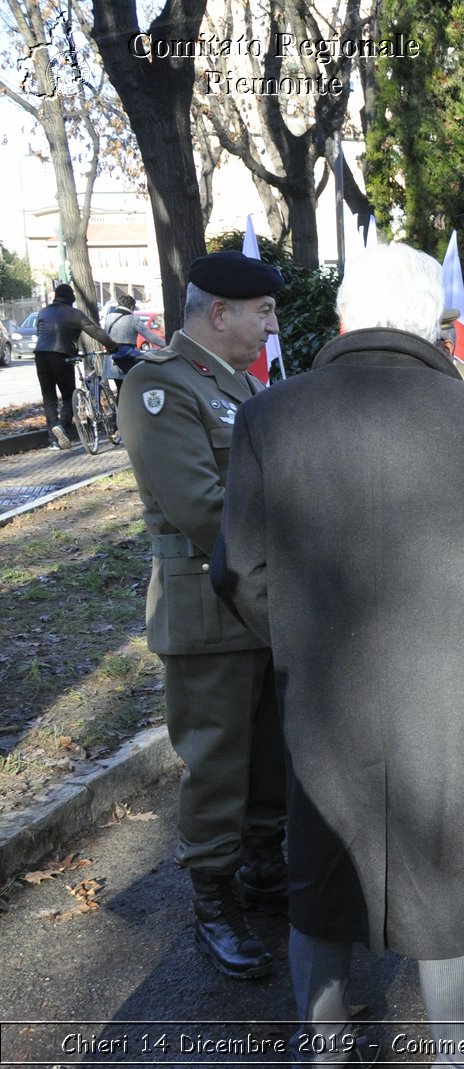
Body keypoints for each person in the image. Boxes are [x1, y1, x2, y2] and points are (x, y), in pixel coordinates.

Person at [212, 242, 464, 1065]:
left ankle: (323, 1047)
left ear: (341, 317)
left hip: (321, 694)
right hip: (447, 693)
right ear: (436, 322)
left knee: (321, 869)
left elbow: (239, 570)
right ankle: (463, 1055)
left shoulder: (270, 414)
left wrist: (296, 641)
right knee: (446, 882)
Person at [118, 252, 289, 981]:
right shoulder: (159, 386)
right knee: (218, 765)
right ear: (220, 313)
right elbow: (204, 509)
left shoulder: (240, 385)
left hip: (259, 605)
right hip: (207, 610)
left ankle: (261, 867)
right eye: (264, 312)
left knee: (269, 757)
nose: (273, 323)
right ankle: (213, 904)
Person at [35, 282, 115, 448]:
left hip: (41, 356)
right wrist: (113, 345)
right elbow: (96, 331)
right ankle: (62, 426)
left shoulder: (43, 312)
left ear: (56, 296)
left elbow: (41, 334)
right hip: (62, 357)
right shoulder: (74, 314)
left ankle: (53, 440)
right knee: (68, 396)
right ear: (71, 298)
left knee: (49, 398)